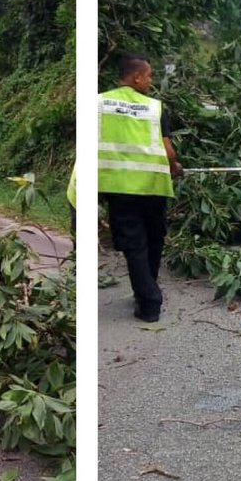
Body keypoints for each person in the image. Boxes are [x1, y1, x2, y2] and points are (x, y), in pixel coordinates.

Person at [99, 53, 183, 323]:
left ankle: (147, 296)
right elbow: (168, 150)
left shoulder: (99, 104)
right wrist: (175, 167)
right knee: (154, 239)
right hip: (153, 186)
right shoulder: (153, 108)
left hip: (119, 187)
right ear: (136, 77)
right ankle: (149, 297)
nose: (150, 80)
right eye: (148, 75)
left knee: (134, 244)